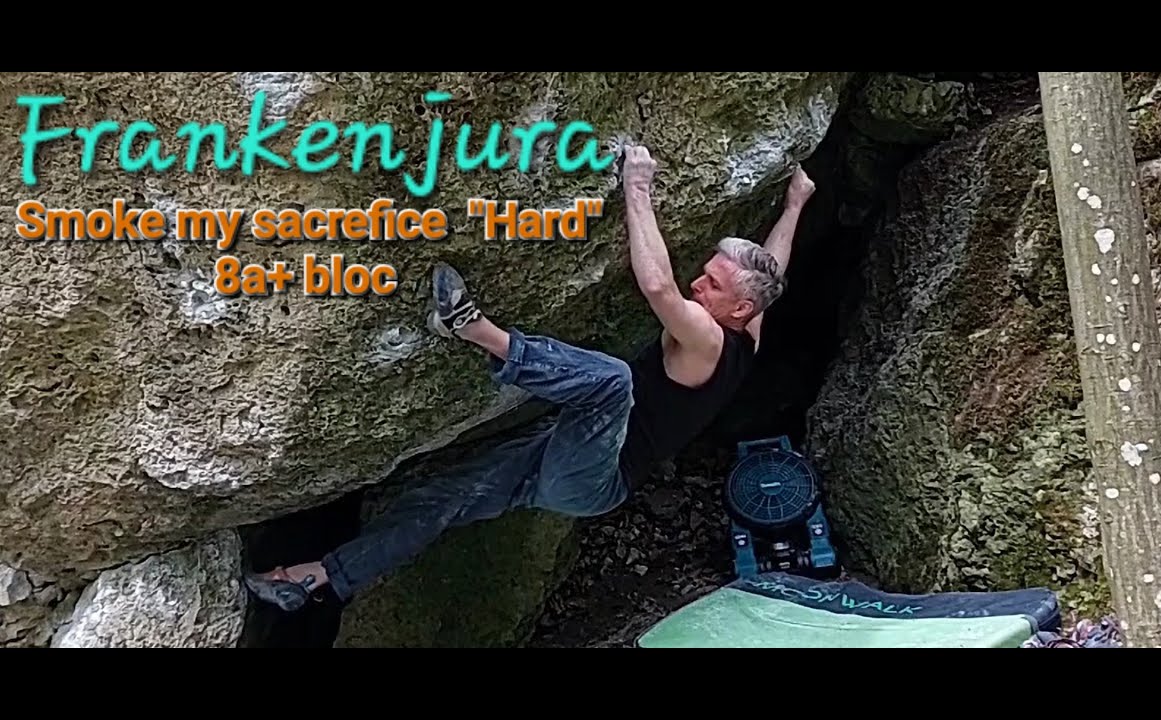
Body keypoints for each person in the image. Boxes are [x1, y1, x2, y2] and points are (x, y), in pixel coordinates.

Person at [243, 144, 817, 611]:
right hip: (564, 454)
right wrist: (794, 204)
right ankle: (316, 578)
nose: (699, 283)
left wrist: (636, 187)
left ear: (735, 310)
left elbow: (660, 287)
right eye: (706, 273)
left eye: (713, 285)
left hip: (595, 477)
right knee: (440, 499)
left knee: (613, 381)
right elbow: (775, 266)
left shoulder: (708, 338)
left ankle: (471, 328)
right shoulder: (749, 324)